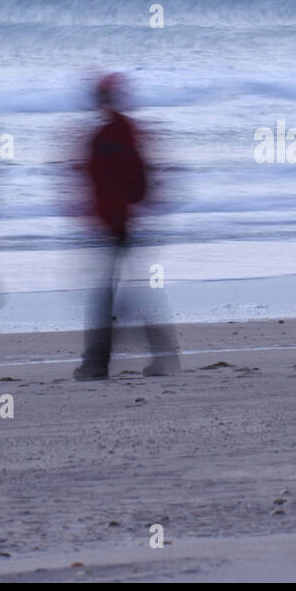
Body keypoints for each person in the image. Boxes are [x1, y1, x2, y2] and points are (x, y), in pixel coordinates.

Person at [75, 72, 181, 380]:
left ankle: (97, 364)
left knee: (108, 296)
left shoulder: (104, 136)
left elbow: (97, 180)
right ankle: (161, 358)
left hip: (112, 224)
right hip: (122, 222)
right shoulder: (126, 132)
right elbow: (142, 181)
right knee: (125, 294)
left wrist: (102, 211)